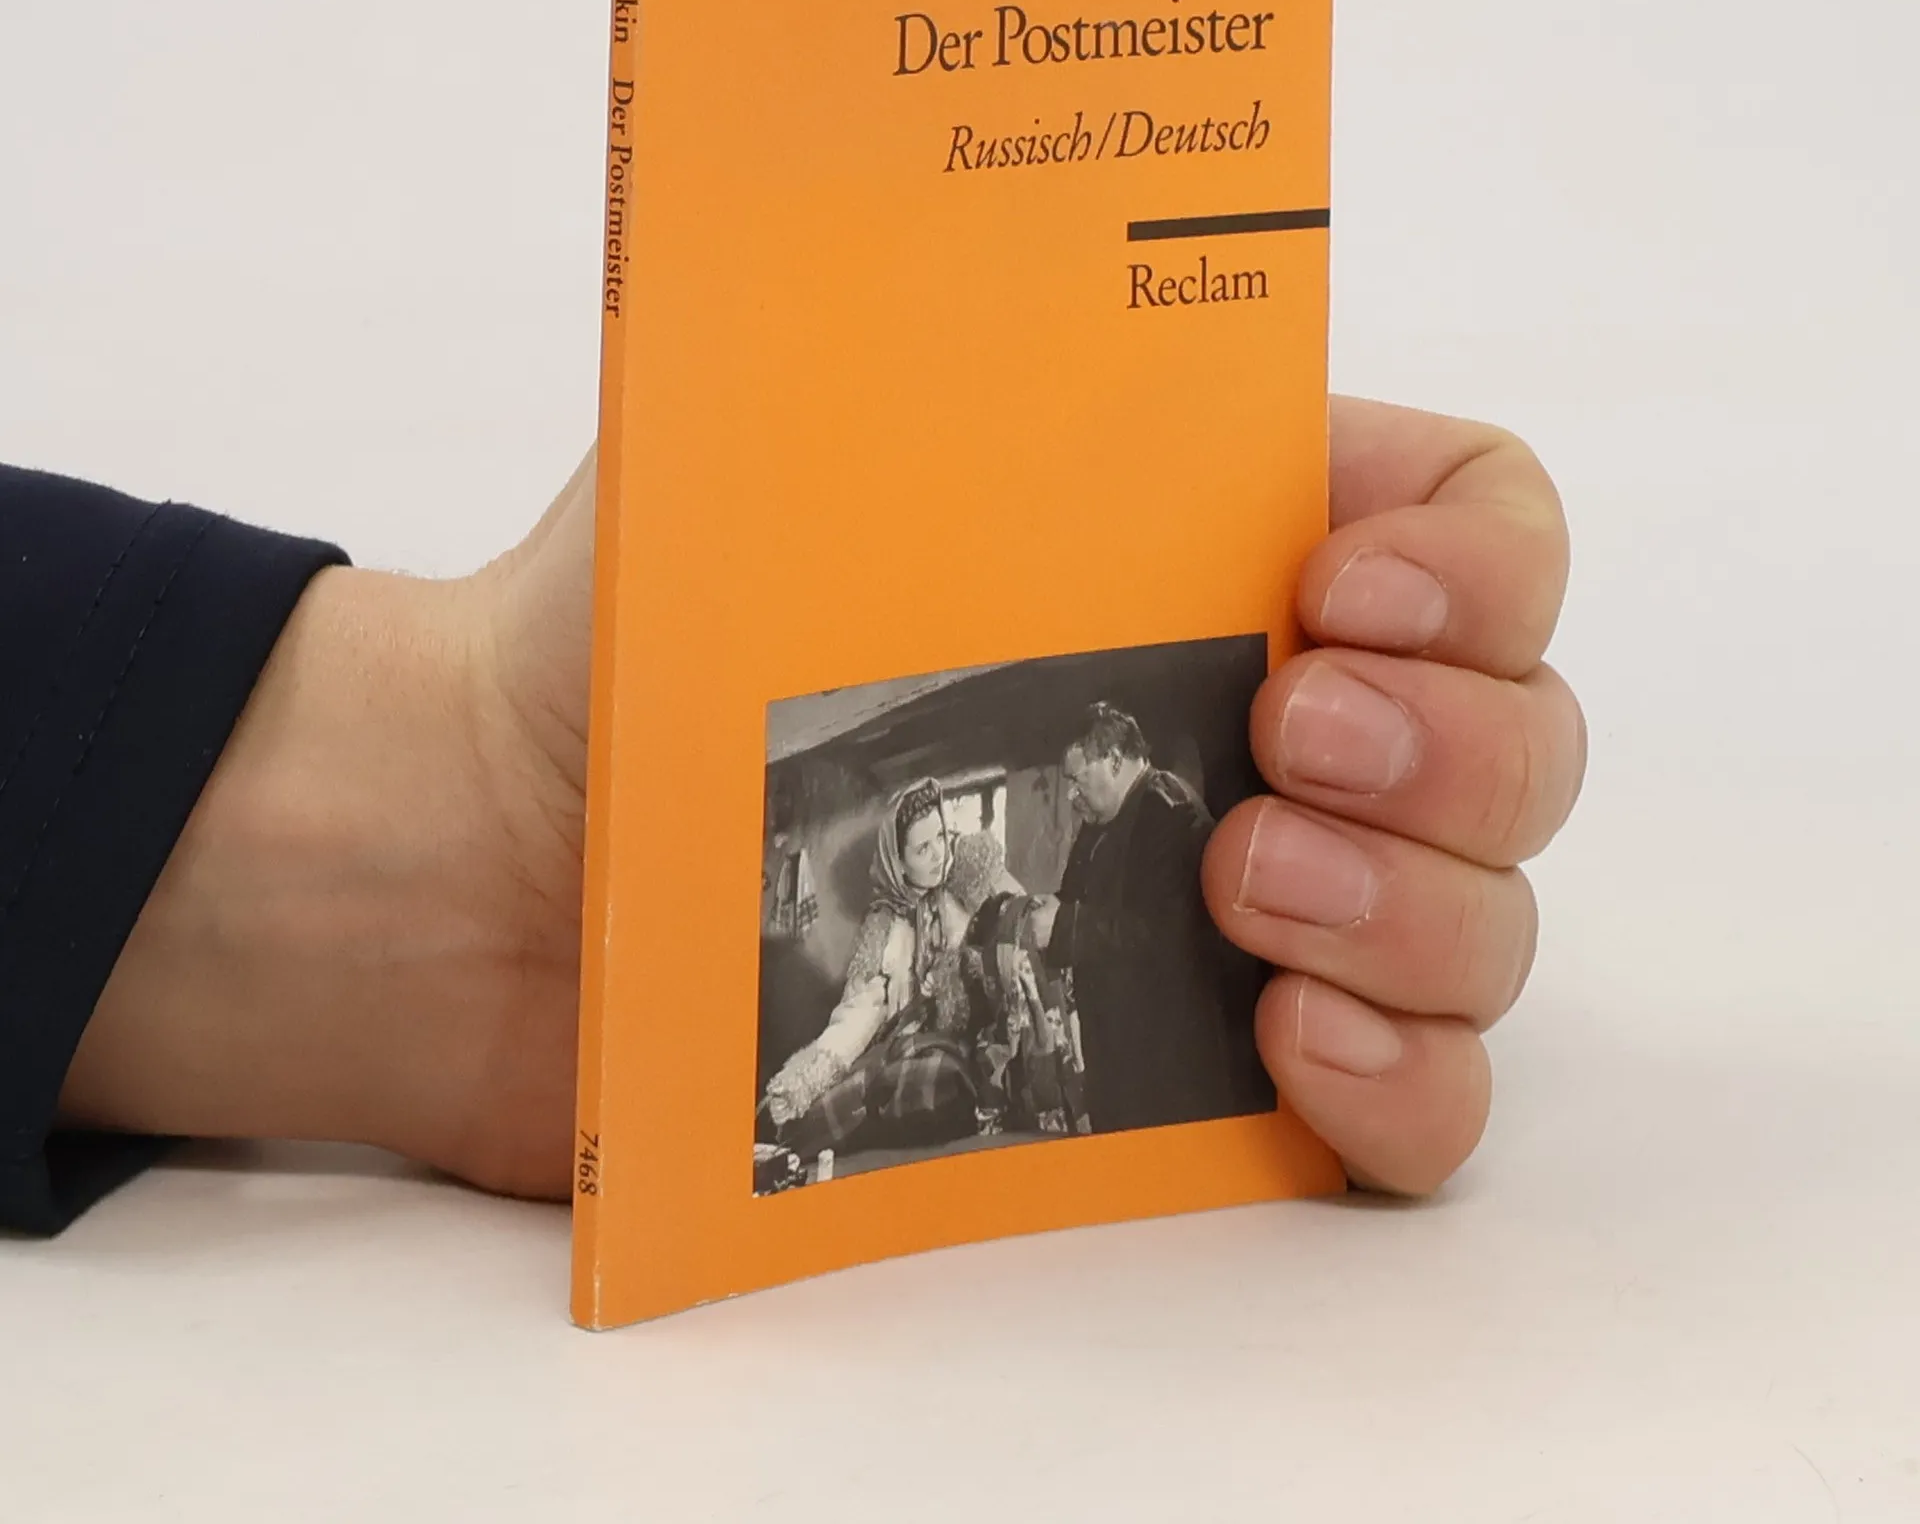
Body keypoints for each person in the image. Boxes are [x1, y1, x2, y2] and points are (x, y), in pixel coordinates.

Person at [0, 397, 1583, 1233]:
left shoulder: (1025, 868)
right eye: (923, 837)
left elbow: (1022, 936)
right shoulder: (914, 917)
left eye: (944, 832)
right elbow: (872, 1009)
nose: (942, 842)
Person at [757, 778, 1081, 1181]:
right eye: (922, 848)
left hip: (990, 1030)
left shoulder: (973, 878)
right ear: (899, 861)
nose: (937, 854)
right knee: (877, 1089)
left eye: (941, 837)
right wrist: (804, 1079)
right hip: (925, 1038)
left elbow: (1023, 927)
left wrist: (978, 963)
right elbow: (859, 1014)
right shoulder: (887, 925)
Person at [1038, 703, 1272, 1134]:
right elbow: (1078, 898)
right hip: (1120, 1052)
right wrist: (1046, 911)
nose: (1071, 795)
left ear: (1113, 760)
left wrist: (1066, 925)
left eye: (1076, 779)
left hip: (1168, 1061)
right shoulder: (1101, 821)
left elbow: (1169, 934)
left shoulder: (1170, 814)